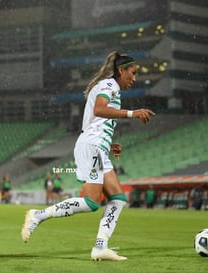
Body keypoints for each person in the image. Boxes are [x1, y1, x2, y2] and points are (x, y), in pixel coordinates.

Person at [21, 51, 155, 261]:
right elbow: (99, 109)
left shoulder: (112, 89)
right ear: (121, 70)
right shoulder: (109, 86)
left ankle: (101, 246)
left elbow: (95, 123)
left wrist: (109, 145)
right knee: (92, 202)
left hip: (98, 147)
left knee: (118, 199)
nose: (135, 78)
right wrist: (132, 113)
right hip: (92, 147)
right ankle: (38, 215)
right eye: (133, 73)